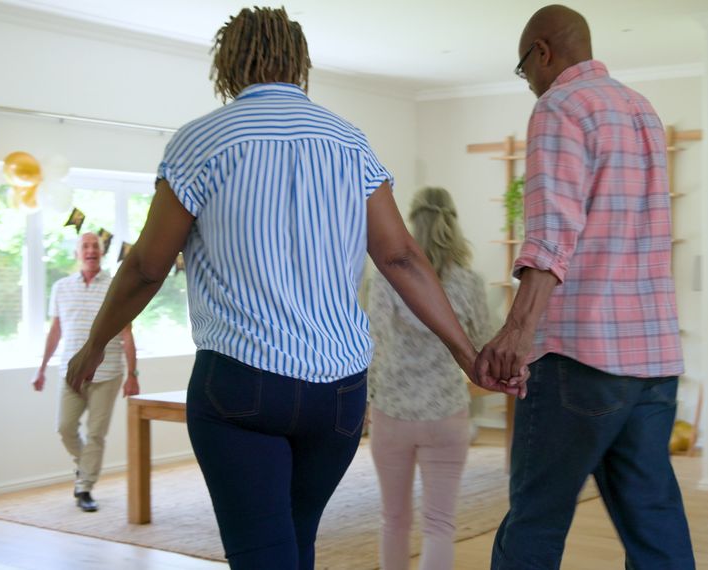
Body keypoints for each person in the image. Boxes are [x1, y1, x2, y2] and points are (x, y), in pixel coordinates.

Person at [63, 7, 523, 569]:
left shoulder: (202, 141)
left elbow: (145, 267)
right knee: (292, 544)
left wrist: (95, 342)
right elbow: (401, 256)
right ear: (299, 63)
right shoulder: (349, 142)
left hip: (241, 383)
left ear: (227, 64)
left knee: (266, 554)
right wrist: (466, 353)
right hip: (338, 394)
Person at [476, 5, 695, 569]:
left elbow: (552, 231)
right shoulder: (640, 109)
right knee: (655, 528)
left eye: (525, 71)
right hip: (653, 362)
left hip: (581, 359)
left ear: (542, 52)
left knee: (535, 522)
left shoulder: (560, 106)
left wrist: (516, 333)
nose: (529, 84)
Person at [367, 187, 492, 570]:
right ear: (452, 223)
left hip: (392, 412)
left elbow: (373, 345)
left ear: (411, 221)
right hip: (446, 413)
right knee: (440, 524)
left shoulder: (385, 279)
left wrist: (368, 402)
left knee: (394, 521)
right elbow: (484, 342)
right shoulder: (468, 282)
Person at [32, 232, 139, 512]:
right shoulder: (61, 287)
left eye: (96, 246)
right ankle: (85, 467)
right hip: (72, 371)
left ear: (102, 253)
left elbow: (127, 333)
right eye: (85, 246)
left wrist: (133, 374)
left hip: (108, 372)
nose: (91, 250)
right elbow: (55, 331)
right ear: (77, 253)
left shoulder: (116, 286)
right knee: (65, 428)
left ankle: (85, 488)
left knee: (95, 434)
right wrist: (41, 368)